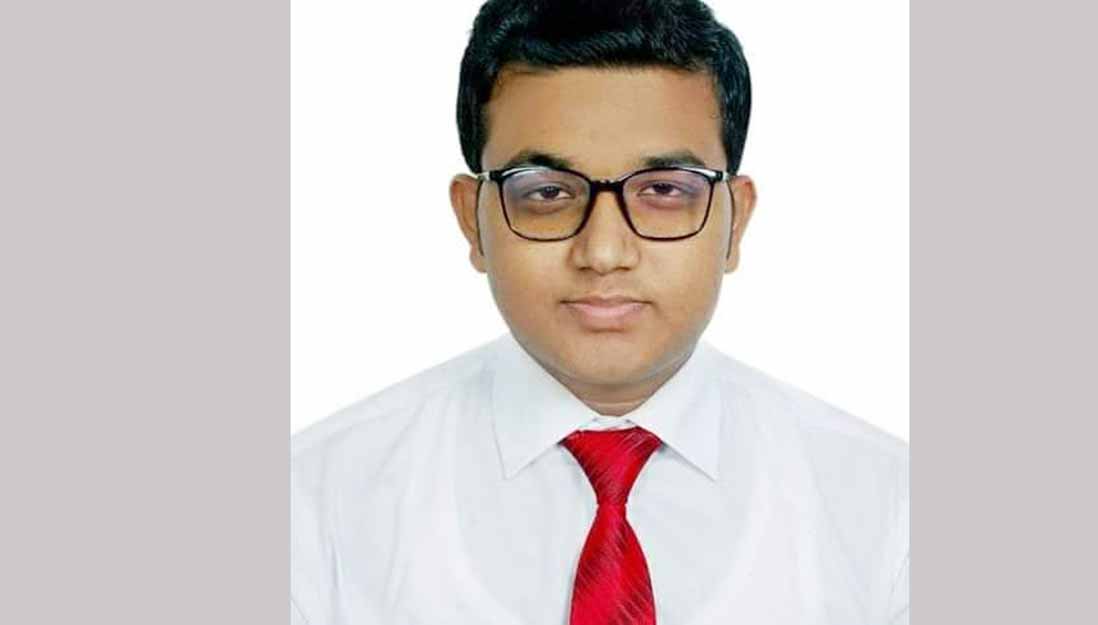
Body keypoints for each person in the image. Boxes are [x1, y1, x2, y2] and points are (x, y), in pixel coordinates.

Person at [291, 1, 908, 623]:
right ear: (472, 220)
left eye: (664, 189)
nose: (604, 252)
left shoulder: (890, 509)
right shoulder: (312, 506)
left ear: (735, 222)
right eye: (547, 192)